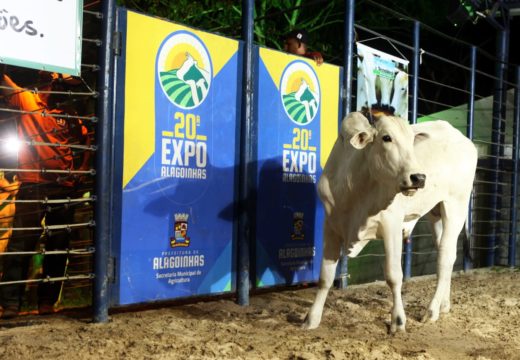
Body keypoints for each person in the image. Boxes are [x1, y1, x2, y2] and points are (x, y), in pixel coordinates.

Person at [0, 67, 89, 318]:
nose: (63, 87)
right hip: (33, 185)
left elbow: (85, 142)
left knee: (58, 244)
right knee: (22, 242)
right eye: (59, 80)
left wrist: (81, 169)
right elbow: (3, 78)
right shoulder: (27, 99)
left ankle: (47, 302)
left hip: (63, 188)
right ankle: (10, 305)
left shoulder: (69, 114)